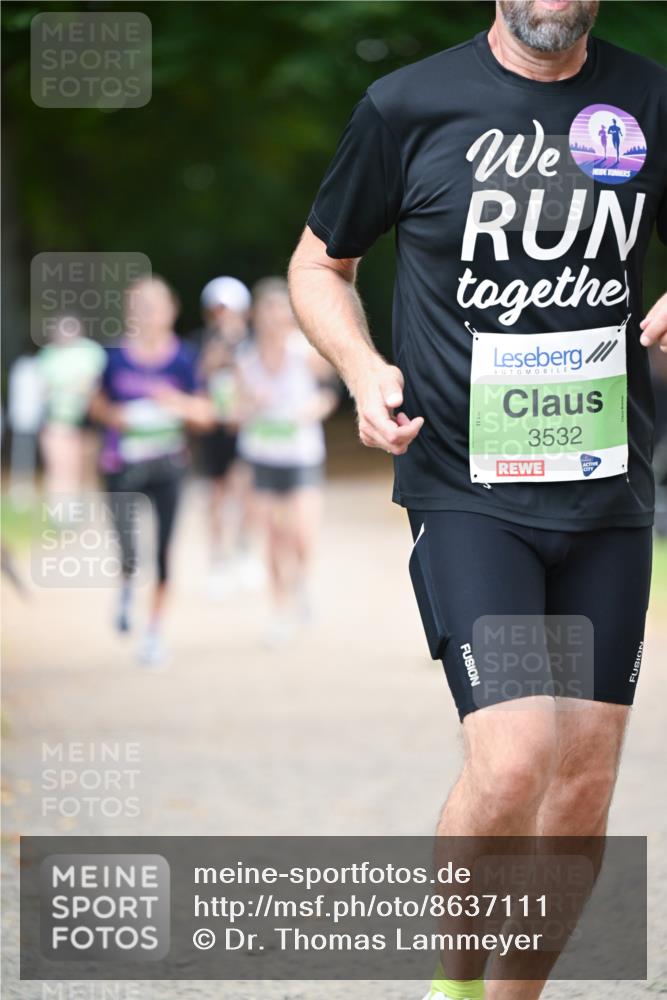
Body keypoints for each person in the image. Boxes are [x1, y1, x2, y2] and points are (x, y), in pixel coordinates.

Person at [288, 1, 667, 997]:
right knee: (512, 762)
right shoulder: (408, 105)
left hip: (608, 492)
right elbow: (320, 263)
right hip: (469, 489)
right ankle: (454, 985)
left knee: (581, 788)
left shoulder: (648, 99)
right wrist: (364, 368)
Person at [91, 276, 213, 667]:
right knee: (128, 548)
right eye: (138, 306)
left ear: (171, 310)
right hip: (121, 464)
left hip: (168, 465)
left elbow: (207, 415)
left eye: (153, 305)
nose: (146, 313)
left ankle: (154, 633)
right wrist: (117, 416)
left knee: (162, 551)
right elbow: (94, 406)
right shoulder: (112, 356)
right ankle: (127, 585)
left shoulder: (184, 358)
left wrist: (175, 403)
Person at [236, 277, 337, 646]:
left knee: (302, 535)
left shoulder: (305, 353)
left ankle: (303, 584)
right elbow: (230, 408)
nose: (273, 320)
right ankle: (279, 611)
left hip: (301, 456)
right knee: (273, 538)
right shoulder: (245, 360)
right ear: (256, 318)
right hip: (262, 456)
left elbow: (330, 394)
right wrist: (248, 404)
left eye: (280, 313)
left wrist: (312, 410)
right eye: (266, 313)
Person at [194, 276, 263, 599]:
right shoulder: (199, 343)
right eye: (218, 311)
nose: (224, 317)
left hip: (245, 427)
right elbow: (195, 381)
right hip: (214, 429)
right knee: (217, 496)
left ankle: (245, 552)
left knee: (246, 490)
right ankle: (217, 561)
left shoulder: (254, 343)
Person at [37, 315, 106, 505]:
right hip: (59, 419)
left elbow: (97, 384)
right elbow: (43, 388)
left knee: (85, 467)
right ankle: (62, 513)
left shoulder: (91, 351)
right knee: (60, 465)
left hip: (88, 419)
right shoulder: (49, 355)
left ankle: (84, 508)